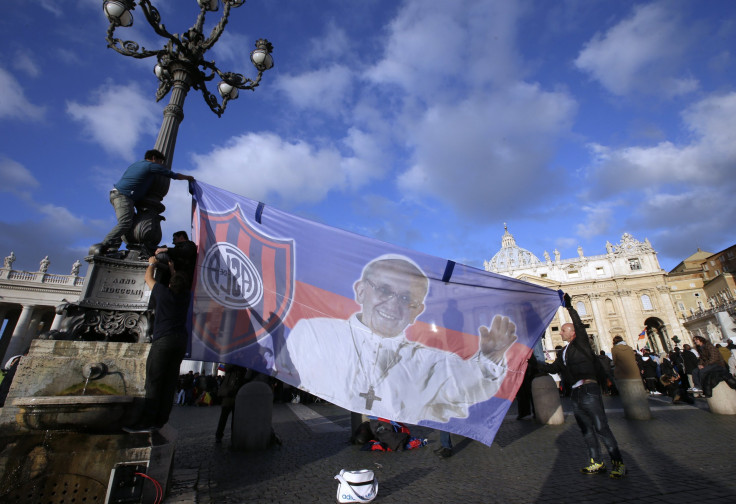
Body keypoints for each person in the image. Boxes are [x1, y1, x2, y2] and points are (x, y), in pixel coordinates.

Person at [281, 254, 517, 425]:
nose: (393, 304)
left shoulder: (430, 361)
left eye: (406, 298)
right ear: (361, 290)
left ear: (417, 311)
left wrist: (489, 358)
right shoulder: (314, 334)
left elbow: (468, 385)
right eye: (384, 290)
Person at [536, 293, 626, 478]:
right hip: (575, 393)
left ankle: (618, 463)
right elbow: (552, 368)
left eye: (563, 330)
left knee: (601, 427)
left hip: (589, 389)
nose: (560, 332)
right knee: (586, 429)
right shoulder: (564, 353)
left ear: (572, 332)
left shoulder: (581, 344)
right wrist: (532, 361)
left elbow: (578, 325)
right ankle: (596, 461)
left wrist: (569, 308)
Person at [124, 255, 191, 433]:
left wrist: (151, 263)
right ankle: (161, 419)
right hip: (180, 341)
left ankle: (146, 421)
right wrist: (172, 270)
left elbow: (148, 278)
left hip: (164, 340)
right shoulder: (186, 297)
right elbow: (179, 283)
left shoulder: (163, 293)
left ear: (170, 284)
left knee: (154, 381)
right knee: (169, 382)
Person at [95, 149, 195, 254]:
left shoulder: (136, 164)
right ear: (154, 158)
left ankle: (113, 248)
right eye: (160, 162)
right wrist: (188, 178)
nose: (161, 165)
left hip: (119, 195)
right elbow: (173, 175)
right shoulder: (151, 165)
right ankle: (104, 245)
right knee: (125, 222)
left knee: (130, 222)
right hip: (123, 196)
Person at [215, 364, 248, 443]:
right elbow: (225, 368)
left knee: (235, 418)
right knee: (224, 416)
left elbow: (244, 378)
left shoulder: (242, 368)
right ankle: (219, 435)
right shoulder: (231, 364)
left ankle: (234, 435)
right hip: (228, 395)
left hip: (237, 395)